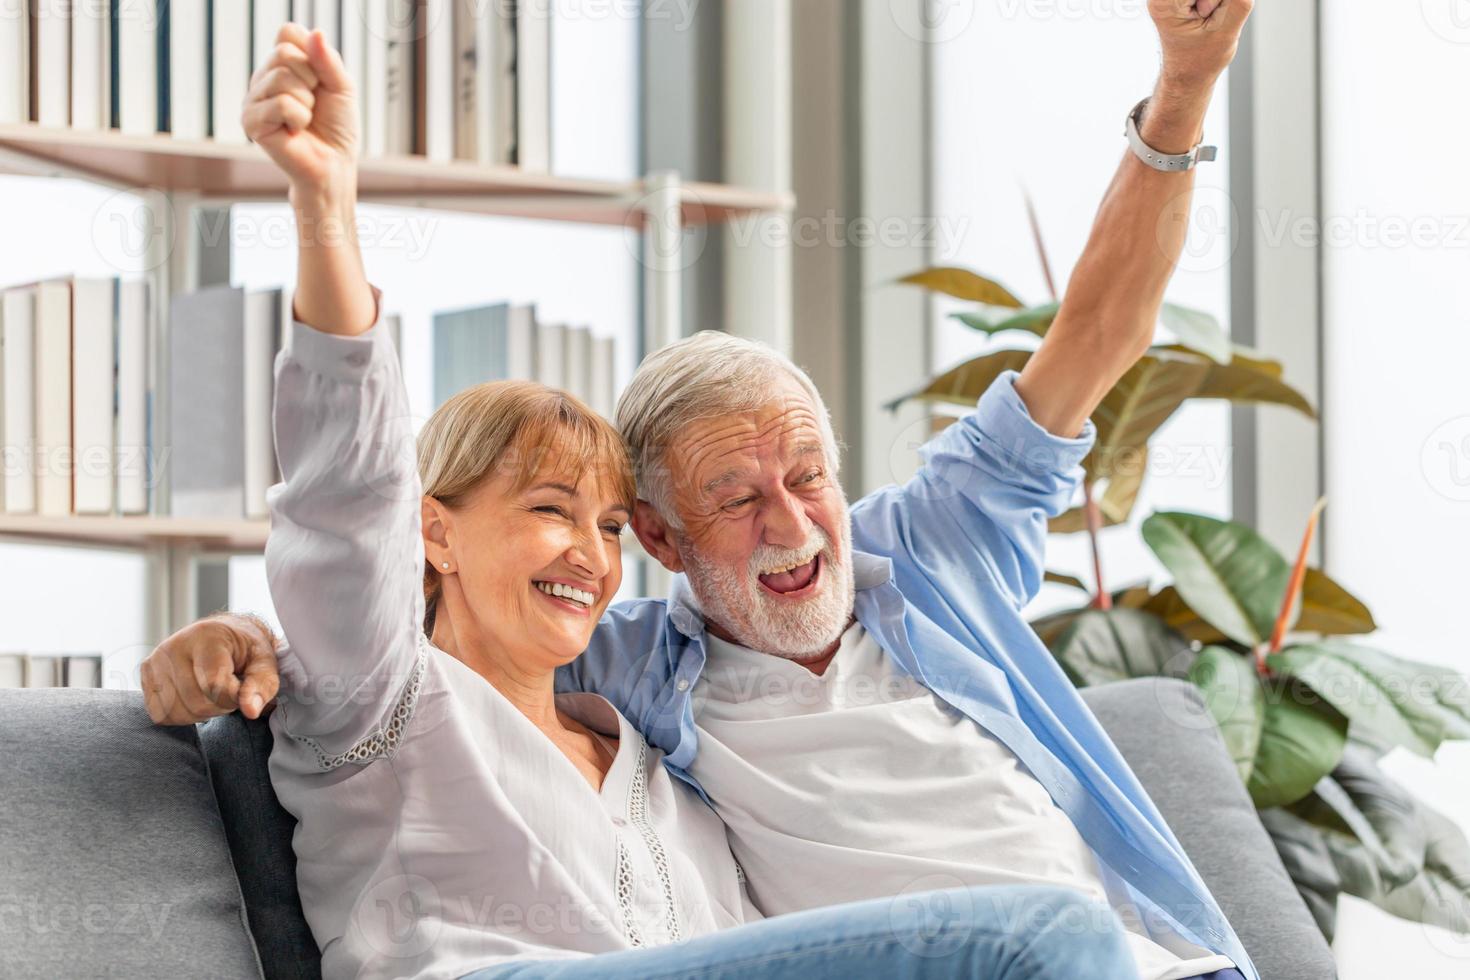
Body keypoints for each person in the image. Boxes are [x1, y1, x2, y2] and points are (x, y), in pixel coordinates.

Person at [145, 3, 1257, 978]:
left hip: (1137, 958)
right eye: (735, 497)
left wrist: (1186, 87)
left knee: (1070, 936)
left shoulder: (909, 569)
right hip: (1027, 950)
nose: (790, 520)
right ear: (670, 543)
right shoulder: (605, 669)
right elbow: (352, 530)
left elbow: (1095, 339)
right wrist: (252, 637)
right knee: (1053, 937)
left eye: (810, 475)